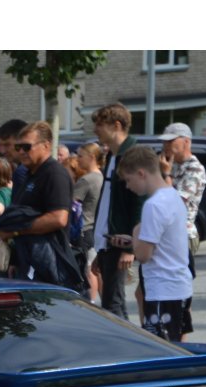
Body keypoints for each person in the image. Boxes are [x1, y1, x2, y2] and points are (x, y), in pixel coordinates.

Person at [118, 145, 192, 343]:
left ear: (141, 173)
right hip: (180, 287)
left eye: (128, 179)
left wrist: (134, 234)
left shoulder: (153, 205)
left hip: (163, 290)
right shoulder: (173, 195)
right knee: (176, 347)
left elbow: (143, 255)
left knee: (162, 352)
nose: (128, 186)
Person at [0, 122, 81, 290]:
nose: (21, 152)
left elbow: (58, 218)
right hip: (25, 260)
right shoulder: (28, 173)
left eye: (26, 147)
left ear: (46, 145)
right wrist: (14, 260)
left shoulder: (54, 173)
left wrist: (16, 230)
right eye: (18, 147)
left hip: (48, 262)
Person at [90, 103, 141, 318]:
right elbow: (108, 202)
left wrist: (130, 247)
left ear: (117, 125)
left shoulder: (131, 155)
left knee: (114, 304)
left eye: (100, 125)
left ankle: (126, 349)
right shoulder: (113, 156)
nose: (95, 131)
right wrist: (100, 246)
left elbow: (139, 201)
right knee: (112, 302)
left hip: (120, 242)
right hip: (108, 242)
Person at [158, 122, 206, 270]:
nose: (166, 145)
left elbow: (175, 203)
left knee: (172, 287)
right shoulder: (169, 164)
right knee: (144, 291)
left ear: (186, 141)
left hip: (181, 235)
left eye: (171, 140)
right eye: (164, 141)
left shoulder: (194, 168)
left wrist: (165, 174)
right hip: (163, 233)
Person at [72, 143, 104, 302]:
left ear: (92, 157)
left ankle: (90, 302)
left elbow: (71, 205)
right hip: (95, 228)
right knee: (95, 266)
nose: (77, 159)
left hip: (83, 229)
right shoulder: (102, 177)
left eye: (80, 156)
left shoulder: (86, 180)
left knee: (88, 267)